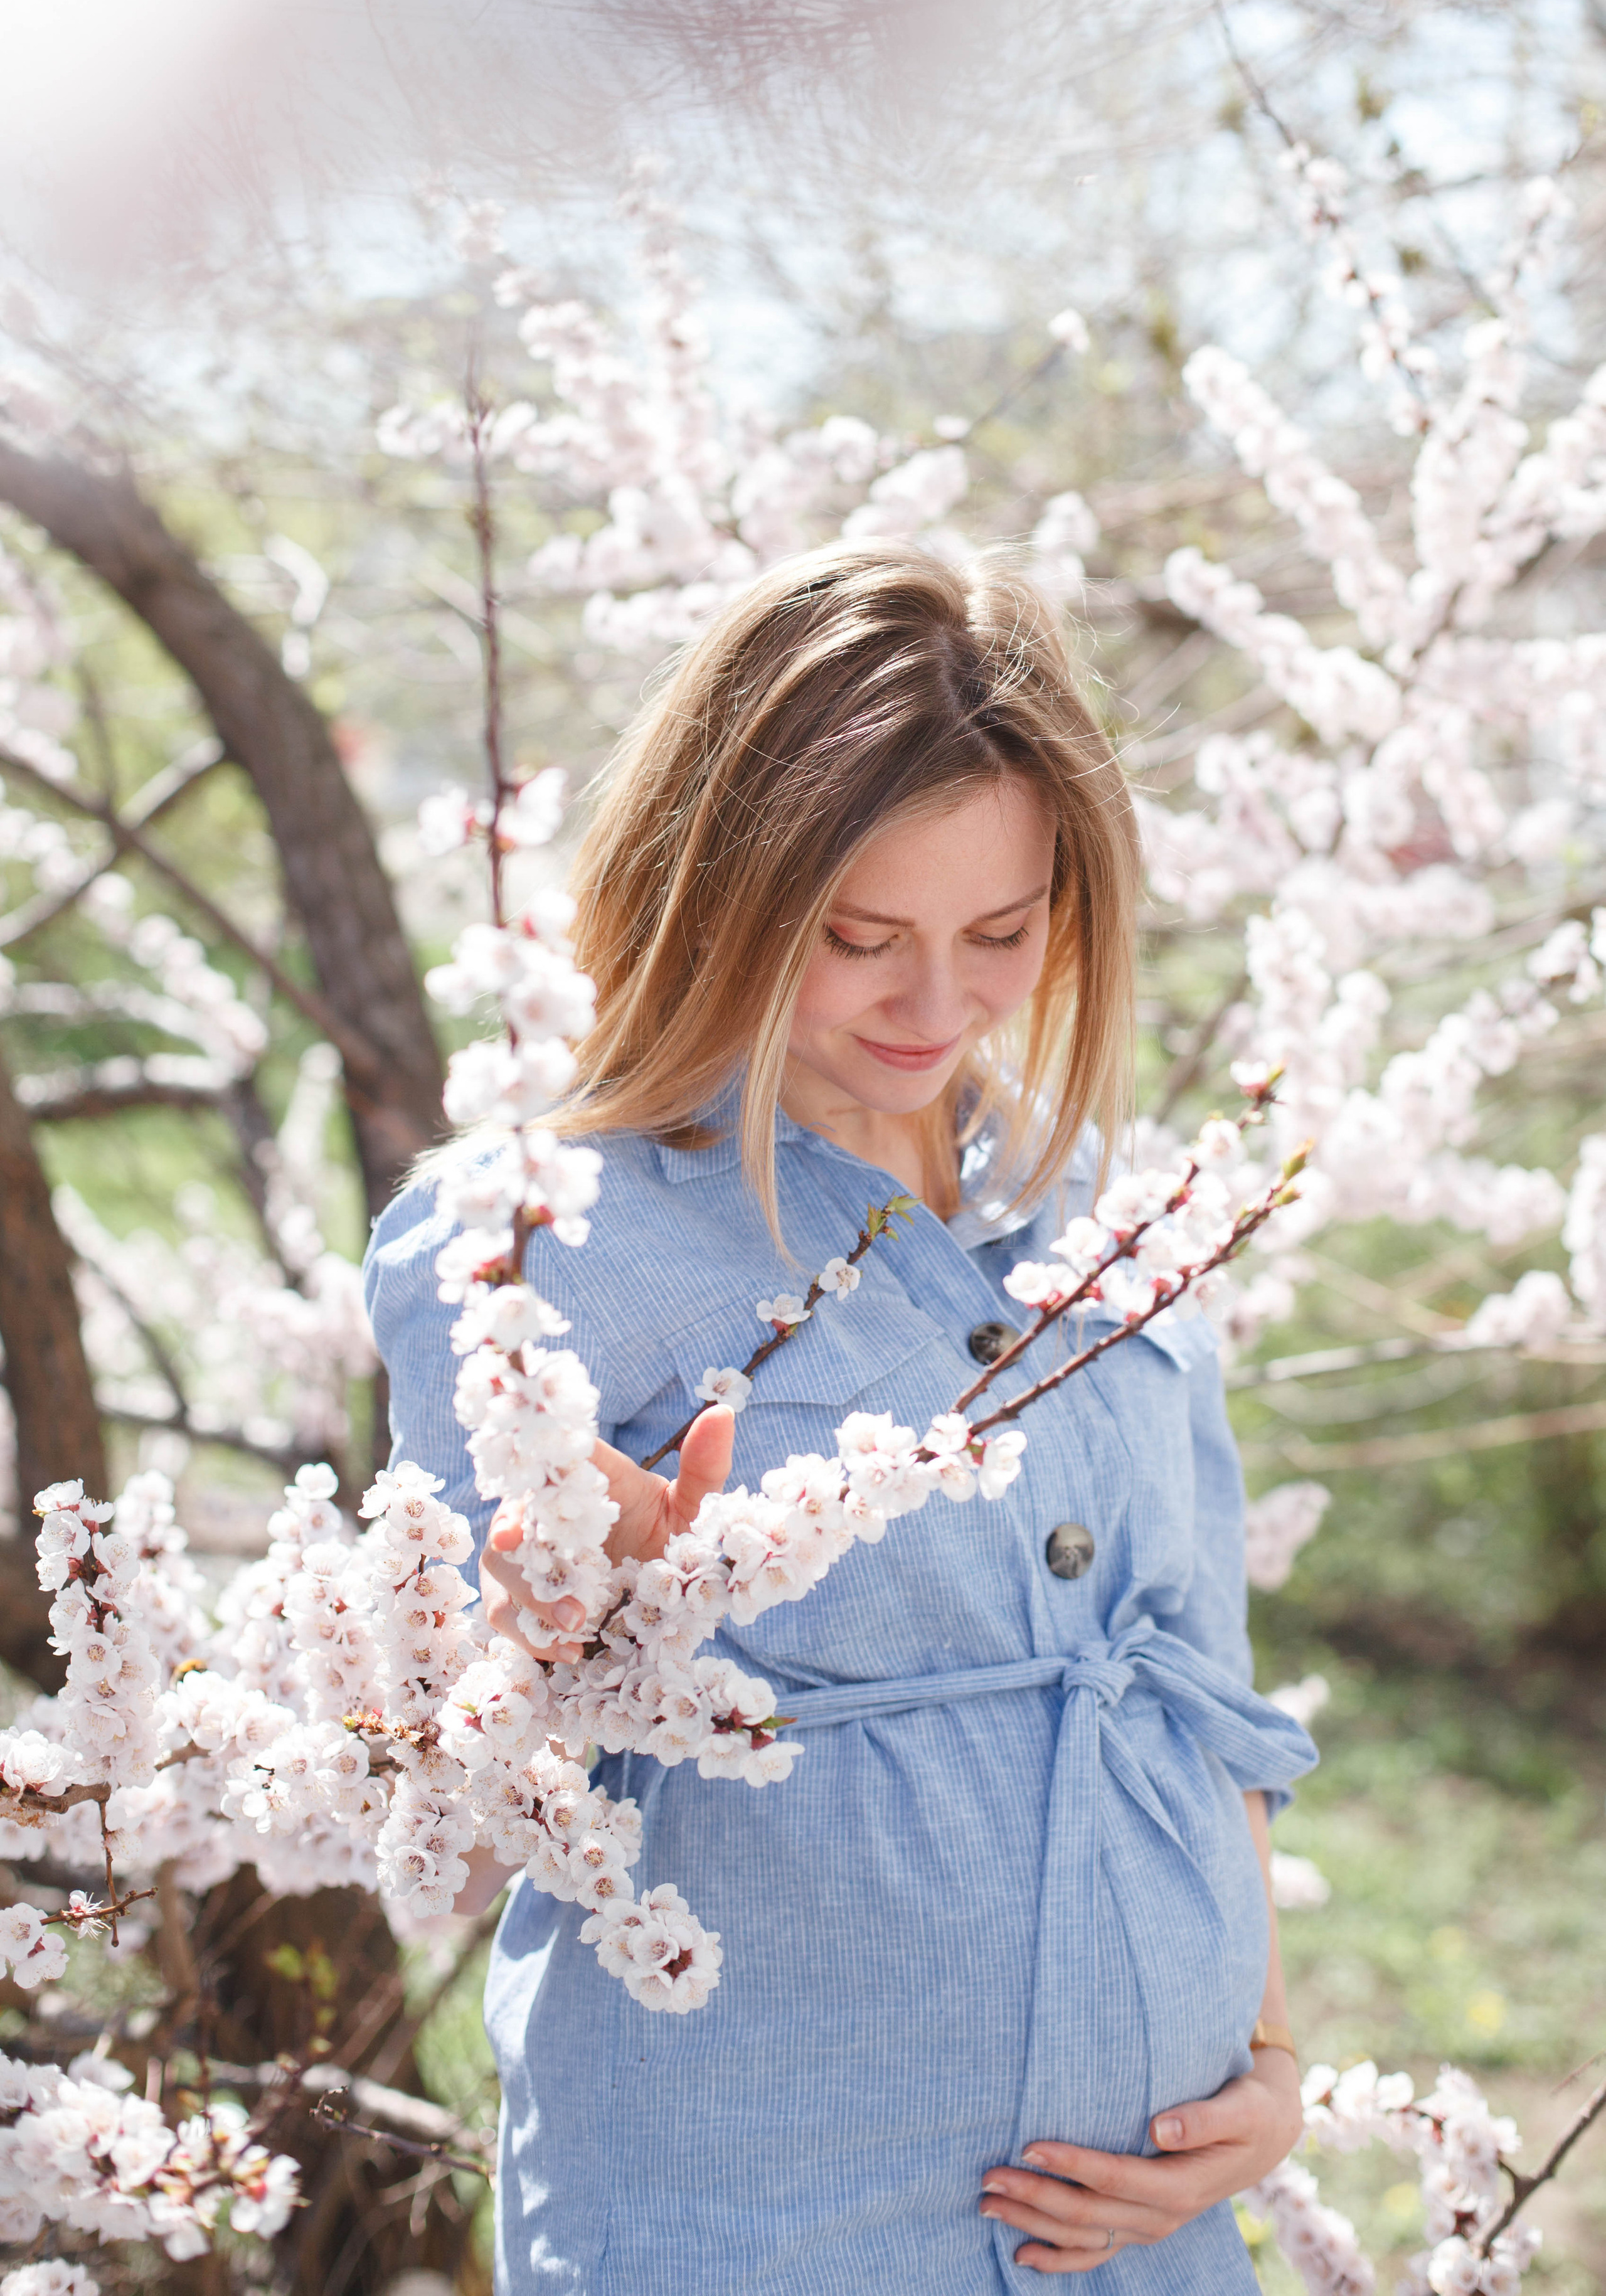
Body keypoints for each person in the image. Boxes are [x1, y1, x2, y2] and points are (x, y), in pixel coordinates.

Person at [363, 541, 1318, 2295]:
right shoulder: (540, 1241)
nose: (937, 1008)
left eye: (1001, 935)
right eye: (861, 941)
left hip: (1148, 2224)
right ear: (716, 897)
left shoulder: (1095, 1215)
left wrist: (1266, 2061)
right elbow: (442, 1790)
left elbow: (1190, 1668)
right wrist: (556, 1624)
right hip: (758, 2219)